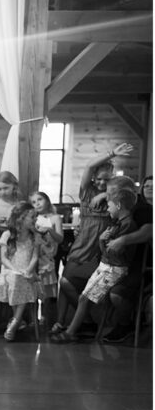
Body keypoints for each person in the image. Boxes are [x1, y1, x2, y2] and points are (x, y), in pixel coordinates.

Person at [55, 143, 134, 335]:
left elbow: (130, 191)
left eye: (106, 181)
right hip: (82, 244)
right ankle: (74, 321)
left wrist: (106, 193)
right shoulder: (86, 191)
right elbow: (89, 166)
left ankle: (84, 322)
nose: (100, 183)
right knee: (65, 282)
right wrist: (112, 153)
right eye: (98, 179)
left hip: (100, 250)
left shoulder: (114, 196)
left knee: (84, 288)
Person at [53, 187, 140, 343]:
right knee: (82, 297)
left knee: (84, 299)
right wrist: (102, 240)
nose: (107, 209)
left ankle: (71, 332)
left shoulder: (127, 225)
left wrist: (103, 241)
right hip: (106, 265)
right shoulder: (117, 223)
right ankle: (73, 329)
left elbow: (114, 253)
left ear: (119, 205)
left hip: (113, 269)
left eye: (110, 205)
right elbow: (106, 250)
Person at [102, 175, 153, 343]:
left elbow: (148, 232)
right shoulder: (119, 206)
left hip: (137, 264)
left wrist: (123, 240)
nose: (108, 197)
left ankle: (126, 324)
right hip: (115, 261)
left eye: (111, 193)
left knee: (116, 294)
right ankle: (84, 325)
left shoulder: (143, 210)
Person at [0, 202, 41, 341]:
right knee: (17, 279)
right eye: (32, 217)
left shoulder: (34, 236)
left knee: (23, 280)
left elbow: (35, 257)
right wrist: (15, 270)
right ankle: (17, 321)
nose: (35, 220)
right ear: (21, 218)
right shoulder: (7, 235)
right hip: (8, 272)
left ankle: (15, 321)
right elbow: (4, 259)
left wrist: (28, 270)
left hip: (28, 273)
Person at [28, 191, 64, 328]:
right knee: (34, 289)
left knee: (48, 291)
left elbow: (60, 239)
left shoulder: (55, 218)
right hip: (34, 258)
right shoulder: (32, 219)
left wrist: (50, 229)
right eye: (33, 202)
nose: (37, 203)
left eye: (40, 199)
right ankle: (33, 319)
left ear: (47, 200)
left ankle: (47, 318)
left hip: (48, 258)